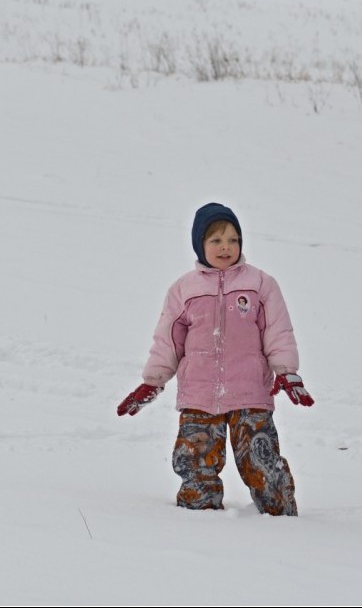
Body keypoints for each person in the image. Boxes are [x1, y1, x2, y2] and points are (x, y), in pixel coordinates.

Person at [117, 202, 314, 516]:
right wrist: (153, 380)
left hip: (249, 394)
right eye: (216, 240)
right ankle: (199, 520)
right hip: (199, 394)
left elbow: (278, 330)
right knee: (194, 460)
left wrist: (287, 372)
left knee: (261, 461)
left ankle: (281, 520)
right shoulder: (184, 289)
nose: (226, 247)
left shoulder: (261, 284)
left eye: (233, 240)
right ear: (199, 245)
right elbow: (167, 339)